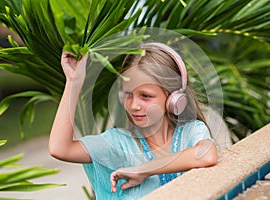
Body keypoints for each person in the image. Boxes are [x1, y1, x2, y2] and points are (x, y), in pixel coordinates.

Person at [49, 42, 218, 199]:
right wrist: (73, 82)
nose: (134, 105)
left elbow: (206, 155)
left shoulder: (191, 132)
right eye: (128, 94)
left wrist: (144, 170)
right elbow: (60, 148)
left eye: (146, 96)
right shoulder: (117, 143)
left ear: (174, 98)